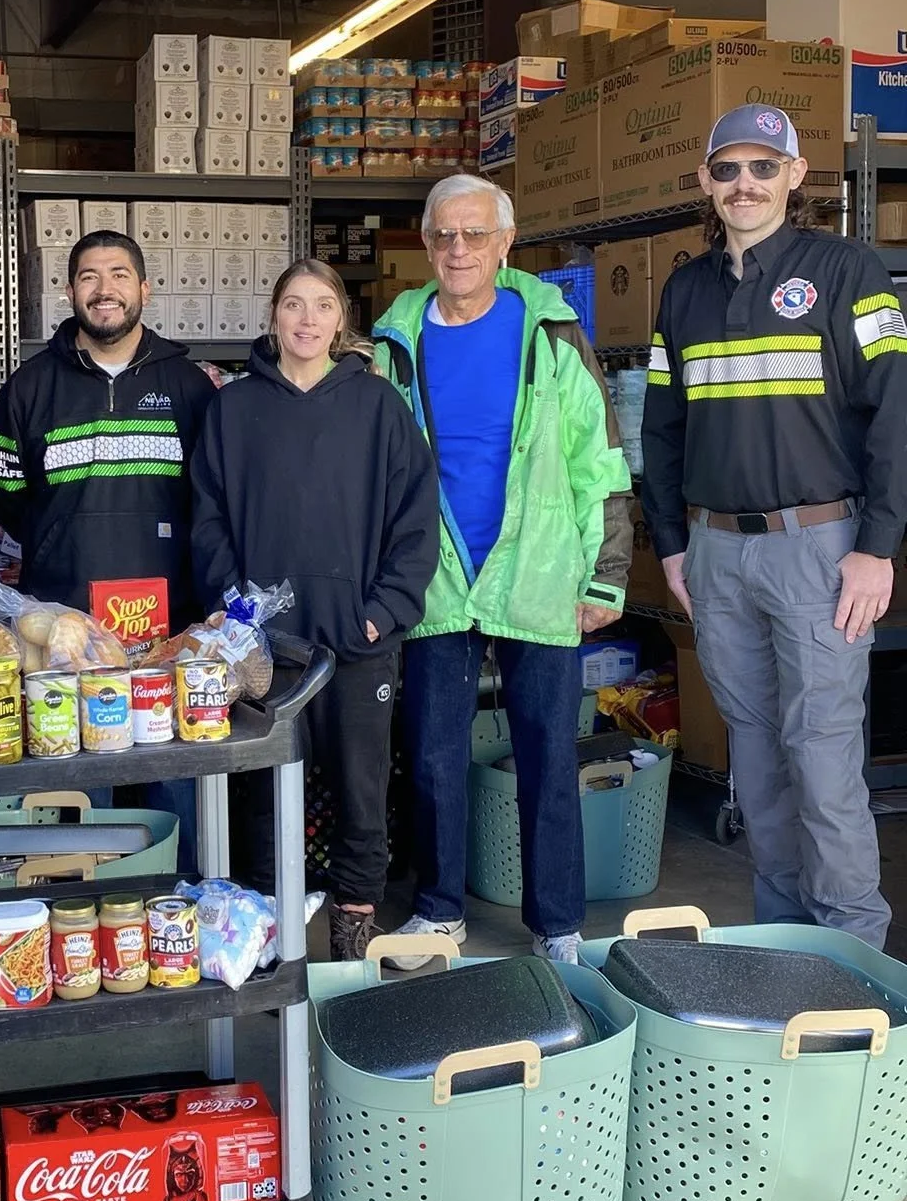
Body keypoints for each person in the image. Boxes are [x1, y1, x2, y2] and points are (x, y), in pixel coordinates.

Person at [641, 103, 907, 948]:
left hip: (822, 552)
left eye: (764, 167)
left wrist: (878, 548)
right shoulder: (683, 291)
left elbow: (896, 414)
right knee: (756, 764)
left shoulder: (846, 270)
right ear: (705, 183)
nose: (745, 184)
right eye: (728, 169)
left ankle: (854, 957)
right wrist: (675, 549)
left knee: (823, 758)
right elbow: (661, 429)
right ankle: (786, 947)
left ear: (797, 177)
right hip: (717, 554)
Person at [373, 174, 632, 967]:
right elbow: (371, 468)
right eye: (444, 235)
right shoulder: (395, 340)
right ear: (426, 244)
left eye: (475, 235)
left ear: (505, 243)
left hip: (540, 572)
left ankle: (557, 925)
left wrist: (607, 572)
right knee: (432, 756)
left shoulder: (550, 330)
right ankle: (439, 909)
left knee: (549, 757)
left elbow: (602, 458)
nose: (459, 249)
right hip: (438, 577)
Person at [191, 259, 440, 960]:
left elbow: (417, 518)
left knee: (363, 788)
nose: (306, 319)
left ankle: (354, 931)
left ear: (341, 322)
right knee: (267, 794)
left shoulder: (378, 407)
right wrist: (232, 610)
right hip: (263, 650)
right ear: (273, 316)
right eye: (293, 305)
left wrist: (387, 606)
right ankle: (269, 940)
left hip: (358, 638)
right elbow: (206, 517)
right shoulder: (234, 410)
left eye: (322, 306)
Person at [0, 230, 217, 622]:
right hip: (60, 614)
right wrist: (57, 535)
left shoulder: (189, 386)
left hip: (172, 615)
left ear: (145, 289)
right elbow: (1, 485)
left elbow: (213, 496)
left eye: (120, 275)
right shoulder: (30, 385)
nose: (105, 290)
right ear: (70, 292)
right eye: (90, 277)